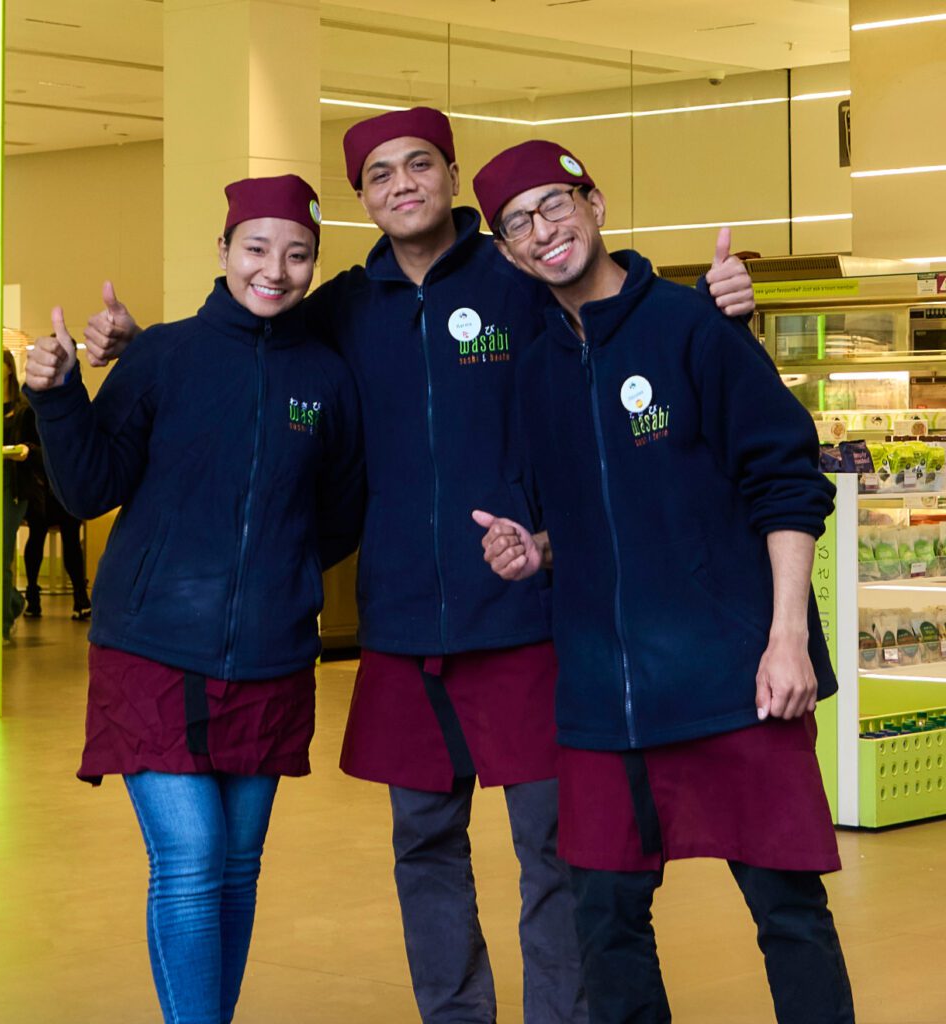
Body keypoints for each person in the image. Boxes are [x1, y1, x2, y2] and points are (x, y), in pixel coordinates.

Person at [81, 108, 756, 1024]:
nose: (402, 184)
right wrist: (131, 350)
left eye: (420, 165)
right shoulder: (342, 311)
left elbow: (624, 328)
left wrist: (719, 316)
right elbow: (248, 341)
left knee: (549, 848)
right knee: (424, 845)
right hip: (400, 623)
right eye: (380, 175)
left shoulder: (519, 280)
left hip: (526, 612)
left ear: (449, 174)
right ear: (362, 199)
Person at [471, 139, 854, 1024]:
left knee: (789, 913)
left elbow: (787, 483)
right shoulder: (535, 369)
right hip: (606, 697)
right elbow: (597, 516)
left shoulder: (694, 329)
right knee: (604, 919)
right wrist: (538, 551)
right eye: (518, 223)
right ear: (506, 251)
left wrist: (787, 636)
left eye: (555, 204)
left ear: (596, 203)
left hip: (738, 680)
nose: (543, 230)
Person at [23, 175, 364, 1024]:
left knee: (238, 868)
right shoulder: (162, 356)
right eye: (256, 249)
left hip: (272, 654)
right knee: (193, 856)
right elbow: (89, 487)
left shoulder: (326, 377)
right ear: (222, 253)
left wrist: (279, 571)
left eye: (296, 255)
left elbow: (343, 509)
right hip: (151, 648)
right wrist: (59, 395)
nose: (275, 271)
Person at [11, 398, 91, 620]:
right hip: (49, 486)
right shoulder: (33, 413)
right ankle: (70, 596)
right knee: (52, 538)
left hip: (52, 487)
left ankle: (62, 595)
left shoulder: (33, 411)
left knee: (61, 539)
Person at [2, 351, 37, 638]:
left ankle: (3, 618)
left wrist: (23, 451)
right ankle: (12, 603)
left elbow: (36, 448)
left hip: (12, 489)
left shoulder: (23, 409)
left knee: (2, 554)